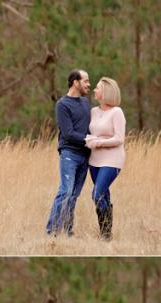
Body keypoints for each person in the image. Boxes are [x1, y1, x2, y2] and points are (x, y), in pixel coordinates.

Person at [46, 70, 91, 237]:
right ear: (75, 82)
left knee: (73, 196)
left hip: (85, 156)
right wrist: (89, 139)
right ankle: (52, 231)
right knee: (65, 191)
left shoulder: (86, 103)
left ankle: (68, 231)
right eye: (86, 81)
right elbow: (67, 133)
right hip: (69, 154)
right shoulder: (62, 105)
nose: (88, 84)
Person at [85, 78, 126, 241]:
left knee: (97, 193)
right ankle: (106, 236)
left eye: (97, 88)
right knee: (103, 195)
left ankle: (105, 234)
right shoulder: (93, 111)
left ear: (106, 92)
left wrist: (98, 142)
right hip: (94, 160)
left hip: (112, 160)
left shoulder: (117, 112)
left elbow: (119, 138)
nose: (94, 90)